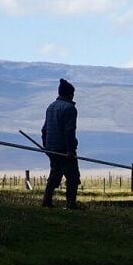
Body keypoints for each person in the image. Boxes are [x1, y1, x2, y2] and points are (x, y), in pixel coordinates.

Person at [41, 78, 80, 210]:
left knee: (55, 173)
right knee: (73, 176)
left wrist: (45, 146)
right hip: (64, 149)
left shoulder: (51, 107)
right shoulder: (69, 109)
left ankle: (46, 201)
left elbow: (44, 129)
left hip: (52, 148)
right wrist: (70, 150)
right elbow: (69, 131)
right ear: (70, 94)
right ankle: (70, 204)